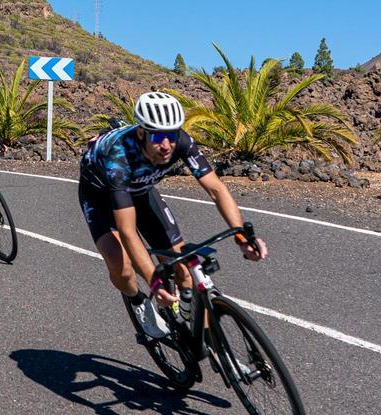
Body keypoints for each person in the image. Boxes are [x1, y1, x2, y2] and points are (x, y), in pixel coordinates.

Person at [78, 91, 268, 339]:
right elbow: (127, 230)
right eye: (157, 136)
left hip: (142, 191)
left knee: (183, 268)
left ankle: (200, 334)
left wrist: (242, 238)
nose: (166, 145)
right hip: (100, 196)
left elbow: (216, 189)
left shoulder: (182, 142)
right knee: (121, 265)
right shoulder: (119, 159)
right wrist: (154, 283)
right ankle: (138, 303)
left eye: (171, 135)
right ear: (141, 132)